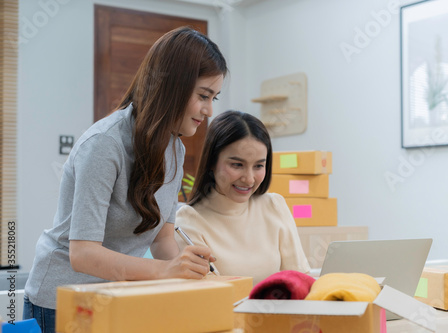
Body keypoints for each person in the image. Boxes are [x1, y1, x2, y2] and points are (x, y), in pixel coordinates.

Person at [23, 26, 227, 333]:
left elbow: (162, 240)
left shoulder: (175, 150)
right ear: (173, 85)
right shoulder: (105, 144)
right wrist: (165, 271)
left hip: (117, 294)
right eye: (203, 96)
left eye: (214, 98)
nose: (209, 110)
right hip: (61, 301)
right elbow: (83, 253)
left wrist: (195, 275)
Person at [175, 111, 310, 285]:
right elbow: (208, 297)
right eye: (237, 165)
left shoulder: (274, 205)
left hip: (280, 311)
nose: (249, 178)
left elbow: (300, 279)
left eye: (259, 166)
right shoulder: (188, 221)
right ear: (211, 162)